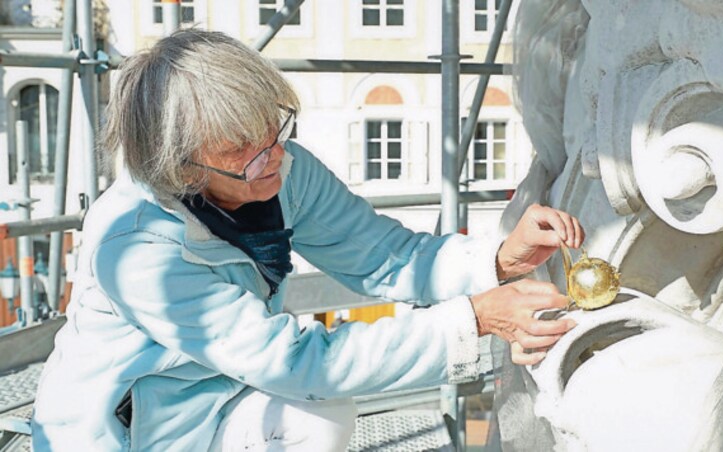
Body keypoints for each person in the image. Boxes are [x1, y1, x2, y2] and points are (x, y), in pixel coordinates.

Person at [32, 29, 584, 451]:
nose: (273, 155)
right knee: (314, 404)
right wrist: (476, 320)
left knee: (321, 416)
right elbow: (294, 362)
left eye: (274, 129)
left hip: (215, 395)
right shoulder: (136, 246)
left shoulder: (279, 169)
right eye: (240, 149)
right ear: (180, 166)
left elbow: (386, 257)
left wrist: (498, 256)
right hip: (121, 434)